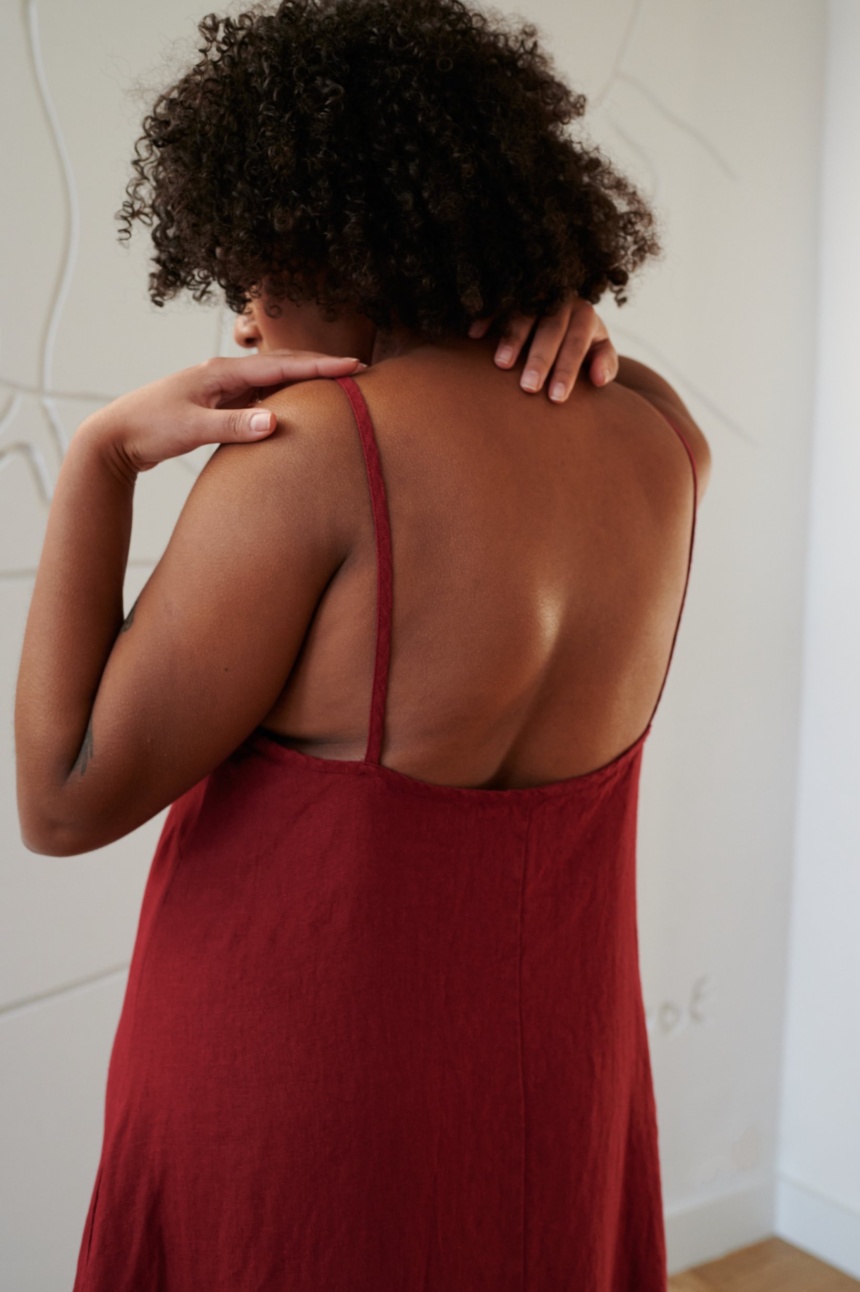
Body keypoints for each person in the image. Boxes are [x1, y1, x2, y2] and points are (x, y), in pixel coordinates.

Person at [14, 0, 711, 1288]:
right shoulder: (661, 434)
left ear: (336, 231)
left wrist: (101, 462)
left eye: (250, 270)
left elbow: (59, 801)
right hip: (554, 1084)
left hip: (304, 1111)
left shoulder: (317, 459)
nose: (242, 319)